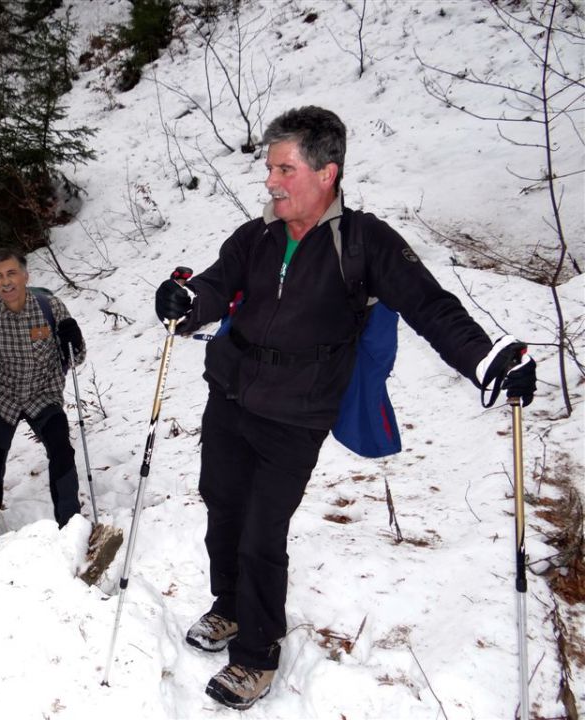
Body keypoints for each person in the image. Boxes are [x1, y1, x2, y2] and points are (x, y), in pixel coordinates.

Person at [154, 106, 537, 711]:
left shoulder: (364, 242)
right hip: (229, 394)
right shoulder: (256, 235)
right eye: (269, 168)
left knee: (261, 531)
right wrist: (183, 299)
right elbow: (215, 285)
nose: (271, 181)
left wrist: (486, 359)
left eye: (284, 168)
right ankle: (229, 606)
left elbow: (430, 306)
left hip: (298, 412)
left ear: (326, 172)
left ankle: (255, 655)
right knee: (223, 509)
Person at [0, 247, 87, 538]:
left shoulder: (50, 308)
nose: (5, 282)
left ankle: (70, 525)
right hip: (2, 396)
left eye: (11, 273)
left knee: (61, 450)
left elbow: (76, 358)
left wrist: (75, 339)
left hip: (43, 393)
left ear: (25, 275)